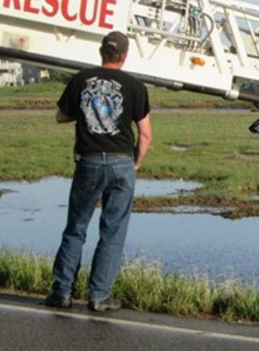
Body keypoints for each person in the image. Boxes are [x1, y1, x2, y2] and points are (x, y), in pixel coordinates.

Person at [44, 31, 152, 311]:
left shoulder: (81, 79)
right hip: (121, 161)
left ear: (101, 52)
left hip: (89, 161)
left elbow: (60, 116)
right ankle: (99, 296)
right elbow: (146, 134)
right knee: (113, 232)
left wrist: (85, 114)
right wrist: (136, 163)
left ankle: (62, 293)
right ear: (125, 55)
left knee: (76, 228)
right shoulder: (135, 85)